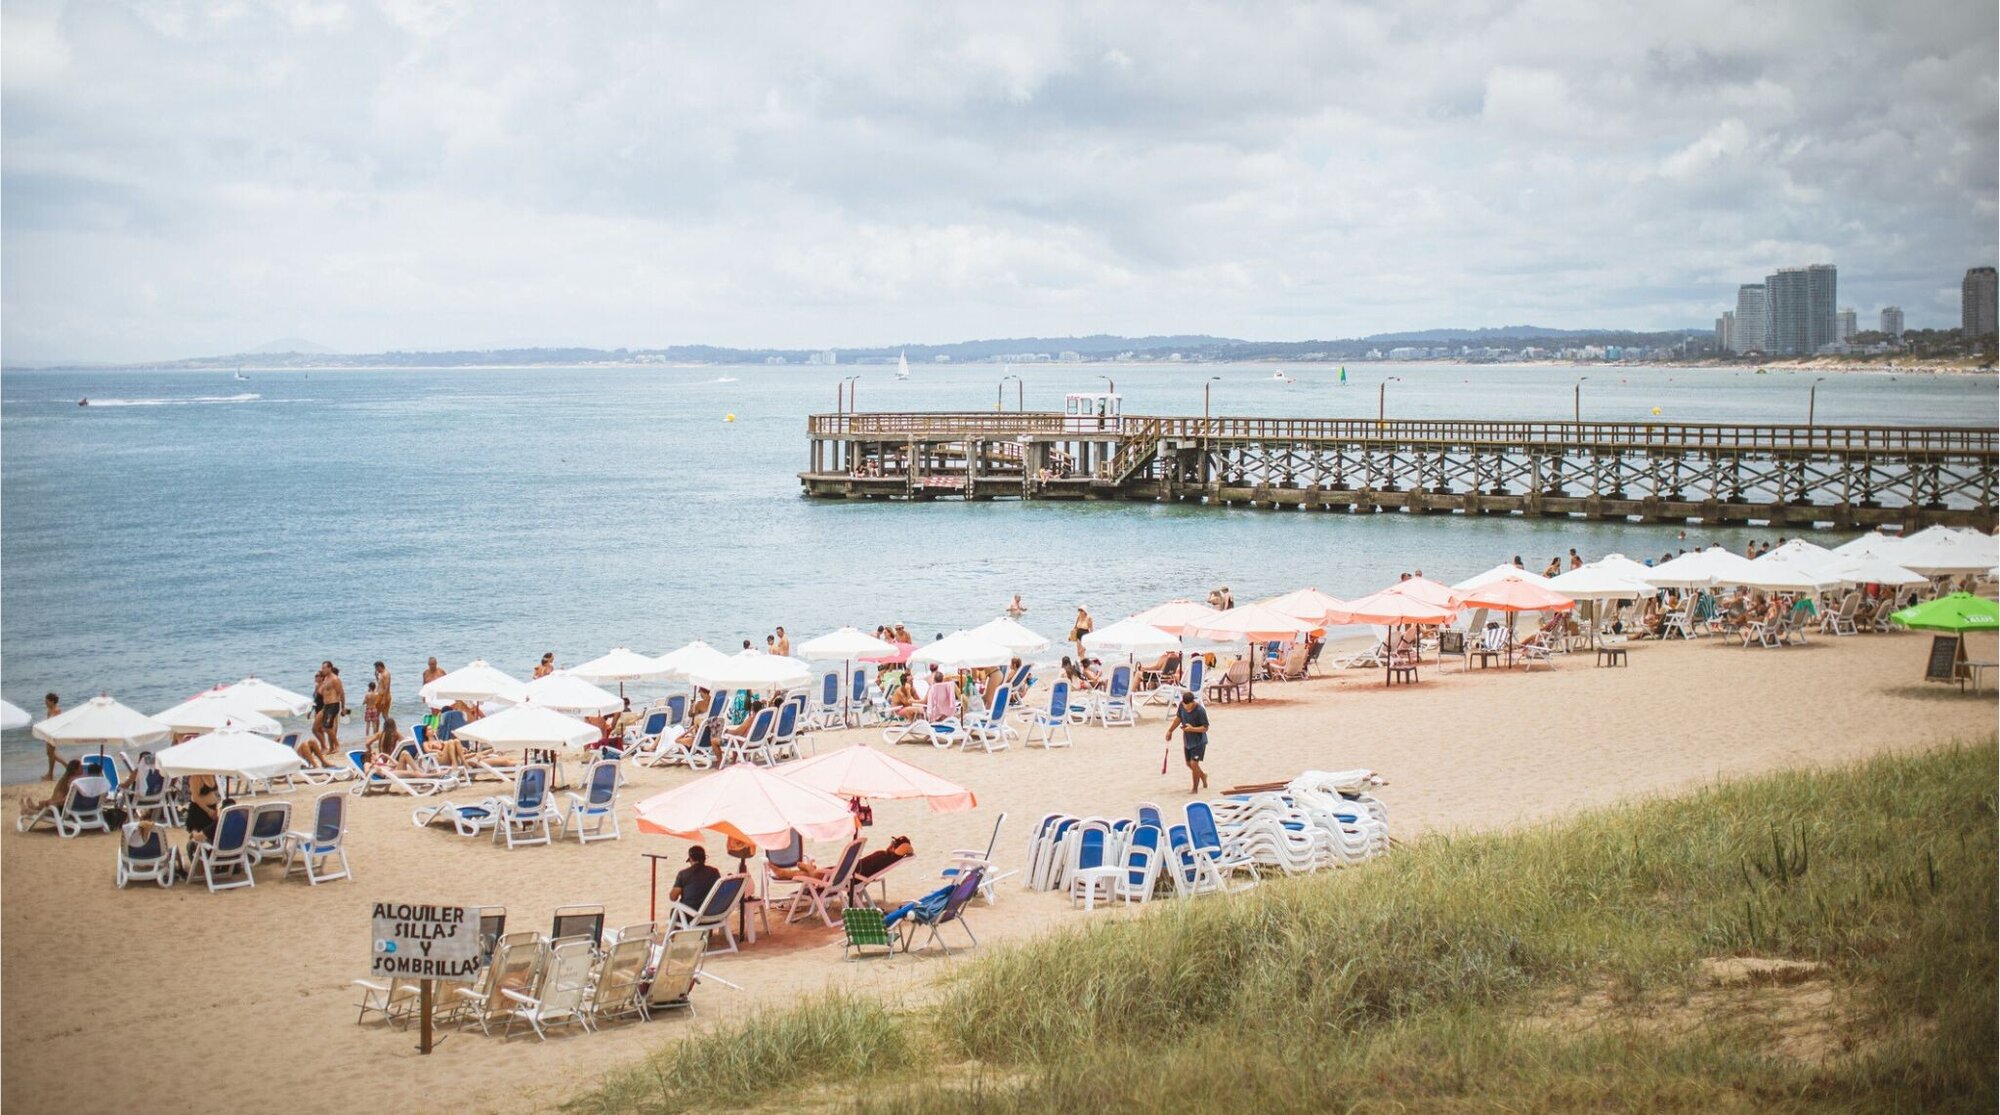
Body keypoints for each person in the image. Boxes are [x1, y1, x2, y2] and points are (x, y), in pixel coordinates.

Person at [1164, 690, 1211, 794]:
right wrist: (1170, 730)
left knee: (1194, 764)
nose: (1186, 708)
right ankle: (1203, 775)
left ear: (1192, 702)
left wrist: (1192, 729)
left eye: (1188, 706)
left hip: (1199, 741)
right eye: (1185, 706)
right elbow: (1178, 718)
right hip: (1188, 740)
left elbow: (1205, 728)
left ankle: (1195, 789)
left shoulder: (1200, 710)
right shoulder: (1181, 706)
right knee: (1189, 764)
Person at [670, 846, 722, 912]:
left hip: (689, 915)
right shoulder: (714, 872)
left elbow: (673, 897)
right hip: (710, 913)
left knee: (673, 911)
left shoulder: (683, 874)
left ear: (691, 859)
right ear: (704, 858)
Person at [40, 692, 61, 779]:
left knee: (51, 754)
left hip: (54, 734)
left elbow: (58, 723)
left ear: (52, 701)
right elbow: (47, 722)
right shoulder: (49, 710)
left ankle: (50, 774)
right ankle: (50, 774)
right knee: (49, 754)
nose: (45, 703)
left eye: (47, 701)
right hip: (49, 733)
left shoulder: (57, 710)